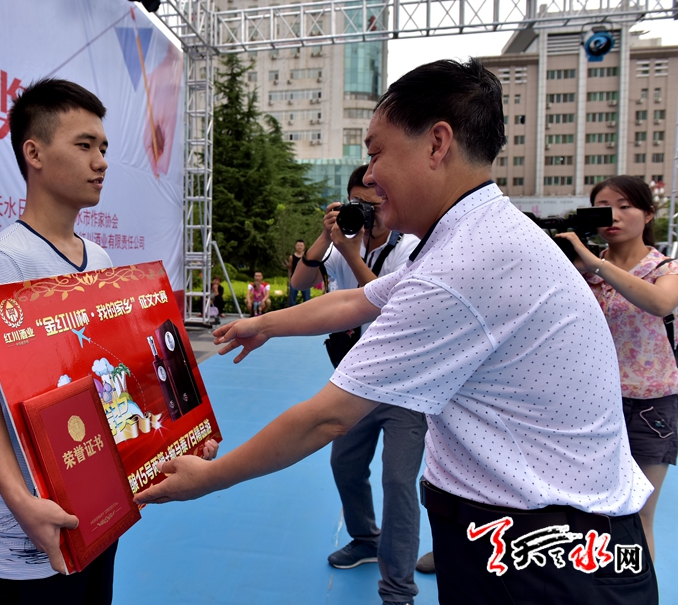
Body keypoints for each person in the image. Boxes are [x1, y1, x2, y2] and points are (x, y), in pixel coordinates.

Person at [136, 59, 656, 605]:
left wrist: (209, 478)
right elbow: (358, 299)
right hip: (538, 539)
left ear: (437, 144)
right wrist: (263, 323)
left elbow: (328, 416)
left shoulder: (467, 263)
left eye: (377, 152)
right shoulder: (476, 234)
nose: (370, 177)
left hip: (545, 557)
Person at [0, 78, 216, 604]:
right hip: (32, 527)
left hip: (98, 510)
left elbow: (120, 375)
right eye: (84, 145)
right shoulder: (7, 260)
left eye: (104, 147)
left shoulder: (99, 260)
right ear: (34, 154)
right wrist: (21, 501)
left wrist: (180, 438)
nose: (101, 162)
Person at [290, 165, 425, 605]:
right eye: (356, 203)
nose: (366, 212)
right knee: (345, 464)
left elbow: (391, 306)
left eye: (373, 201)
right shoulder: (342, 240)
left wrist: (350, 255)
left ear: (389, 197)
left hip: (406, 383)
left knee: (399, 483)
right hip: (357, 377)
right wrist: (326, 236)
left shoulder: (411, 246)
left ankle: (398, 591)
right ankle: (366, 539)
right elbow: (298, 283)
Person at [557, 175, 678, 563]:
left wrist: (596, 264)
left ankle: (640, 590)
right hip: (590, 404)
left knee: (639, 515)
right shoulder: (580, 268)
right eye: (603, 208)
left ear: (649, 214)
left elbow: (661, 303)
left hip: (649, 406)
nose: (614, 216)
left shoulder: (666, 267)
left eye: (626, 206)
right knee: (583, 509)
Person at [287, 240, 310, 306]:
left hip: (305, 280)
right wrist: (290, 279)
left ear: (304, 247)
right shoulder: (291, 257)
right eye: (298, 245)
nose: (299, 247)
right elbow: (290, 268)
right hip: (295, 279)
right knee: (292, 300)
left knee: (307, 299)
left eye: (301, 245)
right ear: (295, 246)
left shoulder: (307, 256)